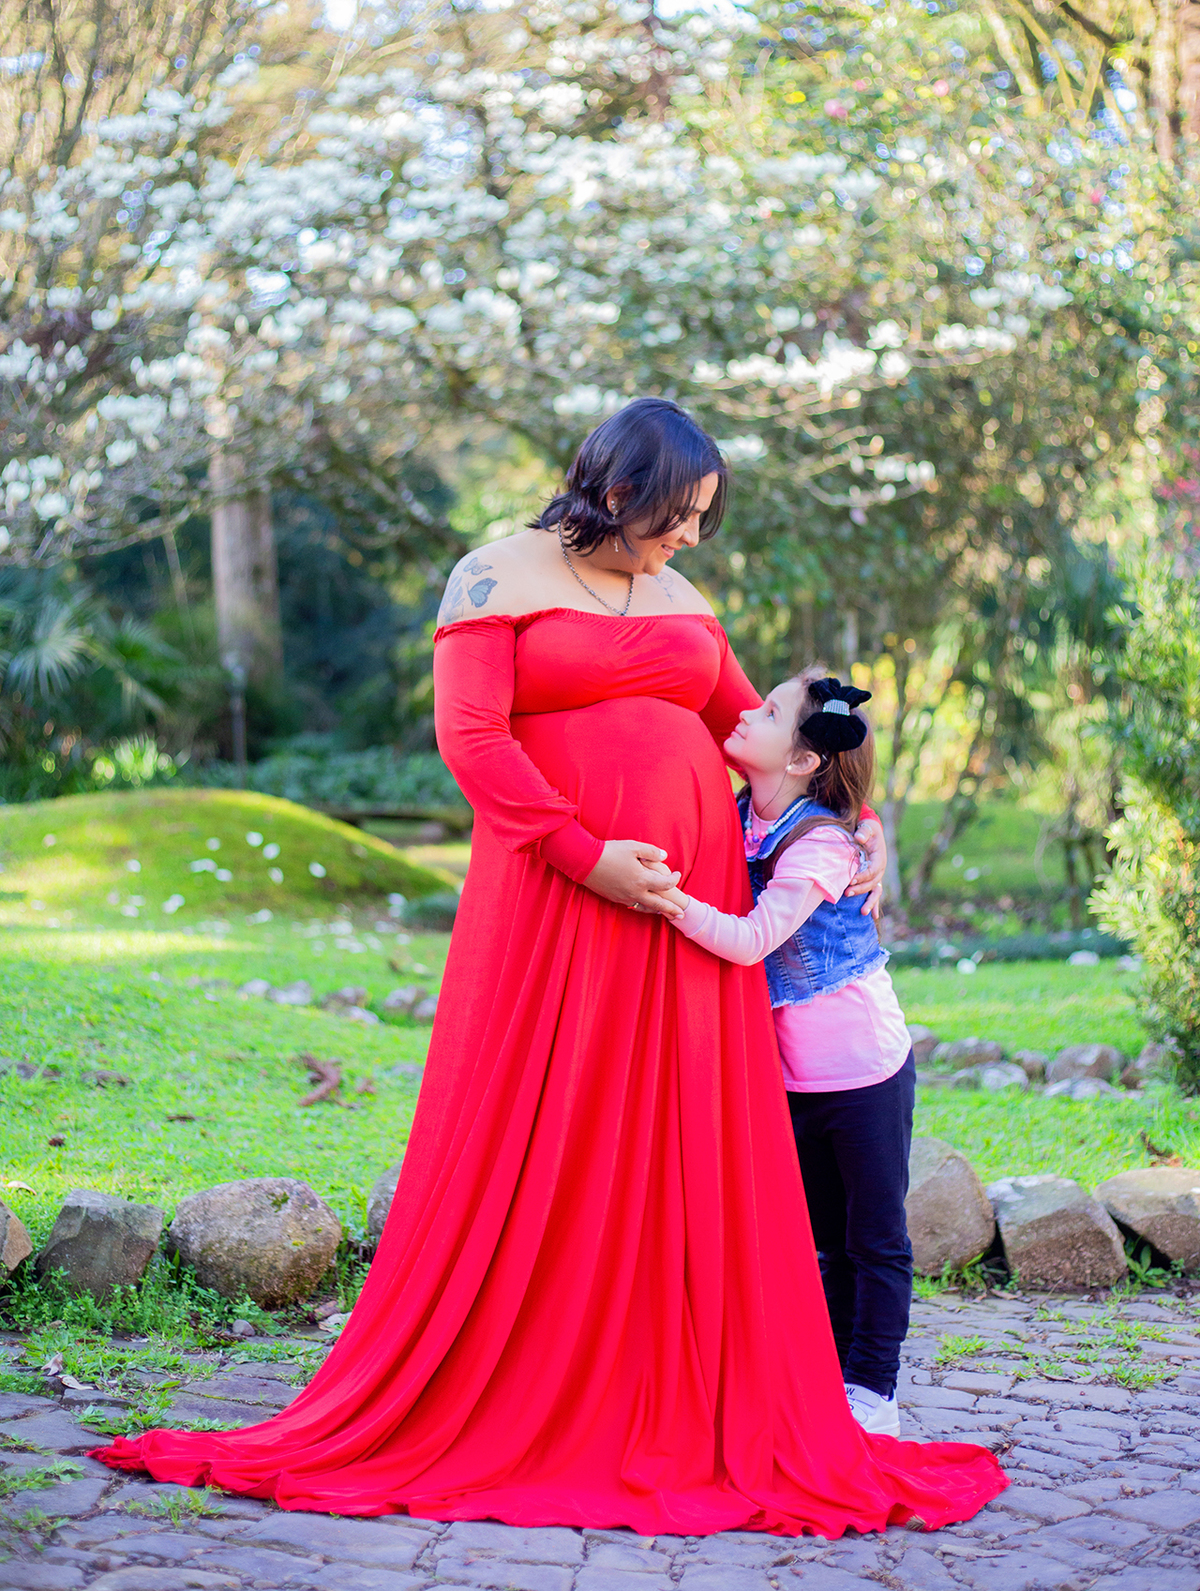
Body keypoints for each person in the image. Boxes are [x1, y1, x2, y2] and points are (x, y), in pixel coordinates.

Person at [94, 398, 1005, 1534]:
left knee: (675, 1136)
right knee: (549, 1118)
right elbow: (474, 740)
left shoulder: (682, 599)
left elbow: (771, 727)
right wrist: (586, 856)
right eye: (682, 516)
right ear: (620, 492)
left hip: (685, 920)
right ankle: (532, 1371)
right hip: (556, 900)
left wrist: (850, 819)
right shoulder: (495, 577)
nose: (692, 541)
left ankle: (668, 1373)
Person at [662, 667, 916, 1441]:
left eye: (768, 710)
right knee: (822, 1238)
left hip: (864, 1071)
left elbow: (752, 941)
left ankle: (873, 1390)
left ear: (803, 760)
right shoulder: (742, 813)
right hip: (791, 1077)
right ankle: (833, 1375)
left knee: (874, 1240)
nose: (745, 709)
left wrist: (664, 898)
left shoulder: (822, 848)